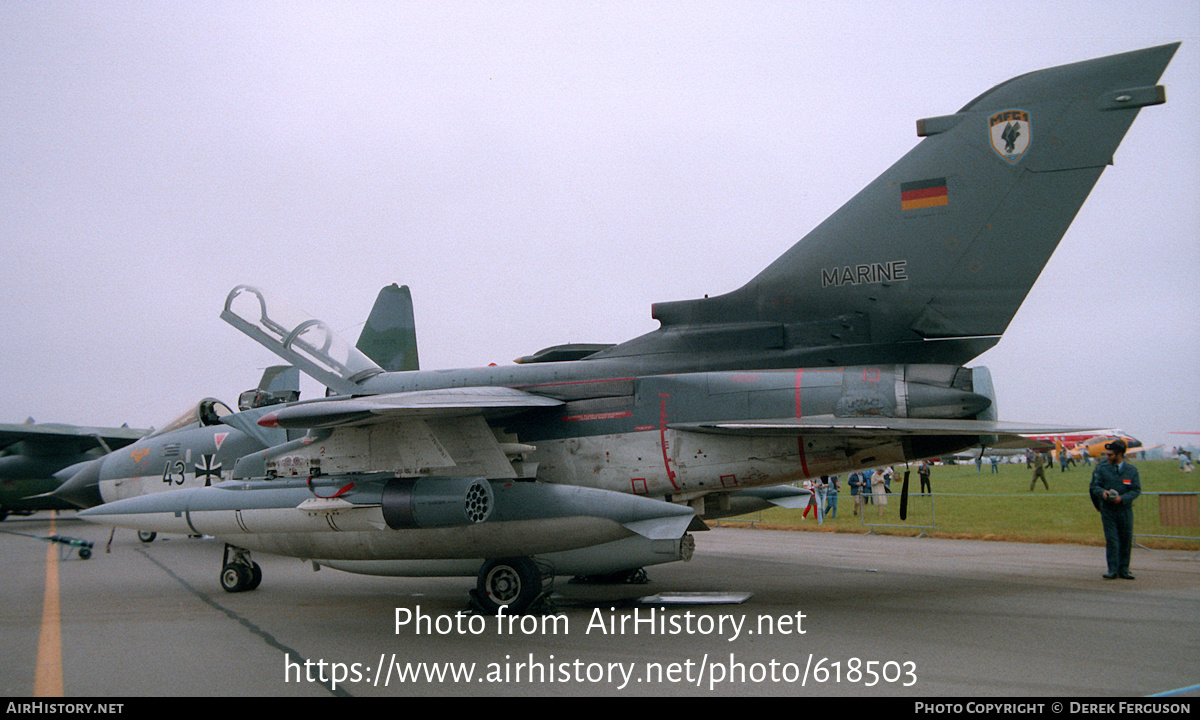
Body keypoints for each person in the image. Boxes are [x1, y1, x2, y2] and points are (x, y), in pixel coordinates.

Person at [1089, 439, 1141, 580]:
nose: (1107, 457)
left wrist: (1122, 499)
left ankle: (1124, 569)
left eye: (1110, 455)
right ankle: (1112, 569)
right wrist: (1102, 493)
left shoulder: (1131, 471)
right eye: (1107, 454)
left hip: (1124, 510)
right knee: (1112, 540)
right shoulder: (1102, 468)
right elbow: (1094, 486)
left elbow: (1136, 490)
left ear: (1119, 455)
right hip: (1108, 510)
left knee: (1125, 539)